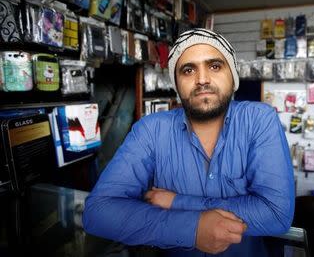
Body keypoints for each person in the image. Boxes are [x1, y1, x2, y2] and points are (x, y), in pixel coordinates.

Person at [82, 28, 295, 256]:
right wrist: (192, 229)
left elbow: (276, 214)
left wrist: (177, 202)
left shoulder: (259, 120)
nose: (202, 79)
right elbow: (99, 212)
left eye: (214, 66)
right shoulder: (151, 129)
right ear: (176, 84)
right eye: (188, 70)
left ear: (232, 76)